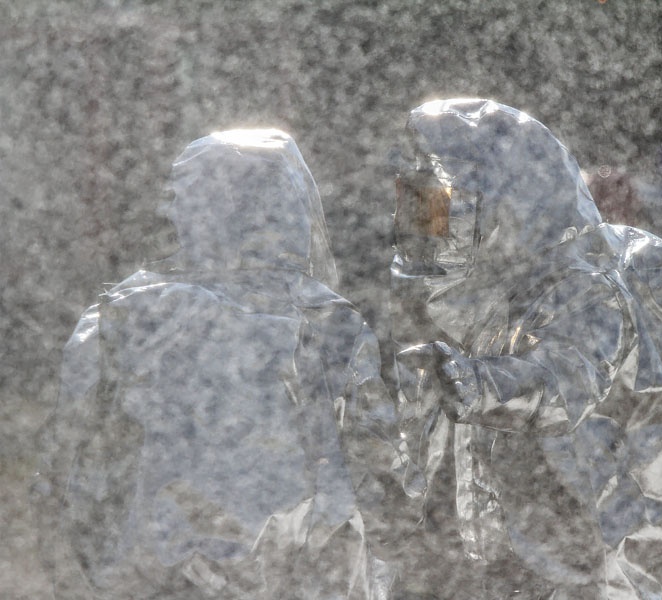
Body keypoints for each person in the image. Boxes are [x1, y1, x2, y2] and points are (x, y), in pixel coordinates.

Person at [388, 99, 662, 599]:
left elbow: (566, 380)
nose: (426, 220)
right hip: (502, 549)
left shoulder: (581, 285)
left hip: (571, 548)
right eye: (417, 201)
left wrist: (478, 382)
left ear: (507, 200)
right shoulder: (482, 294)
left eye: (442, 200)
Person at [35, 129, 402, 599]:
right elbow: (375, 464)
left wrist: (91, 559)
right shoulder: (326, 320)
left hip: (158, 569)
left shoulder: (128, 313)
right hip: (305, 573)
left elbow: (75, 463)